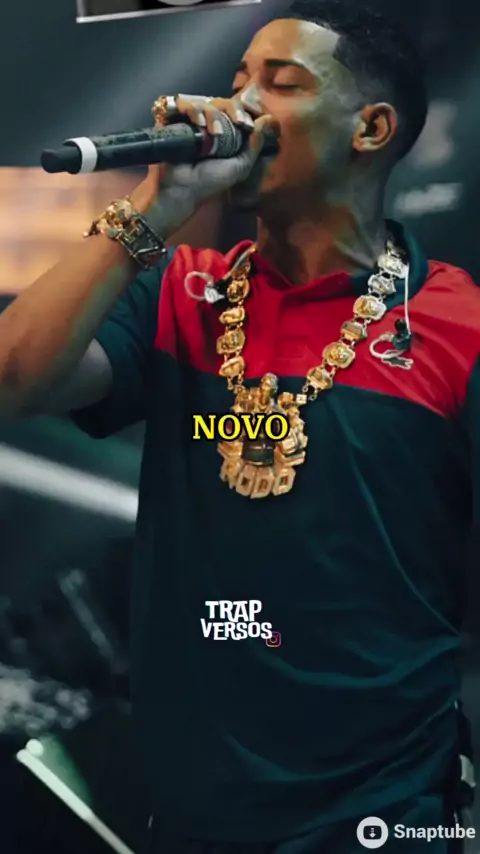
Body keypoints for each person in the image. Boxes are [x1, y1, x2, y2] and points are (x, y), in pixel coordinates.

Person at [0, 0, 479, 851]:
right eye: (237, 78)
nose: (239, 104)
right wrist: (154, 208)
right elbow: (12, 381)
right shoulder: (179, 291)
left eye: (281, 82)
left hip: (386, 808)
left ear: (370, 129)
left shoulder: (455, 322)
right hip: (191, 813)